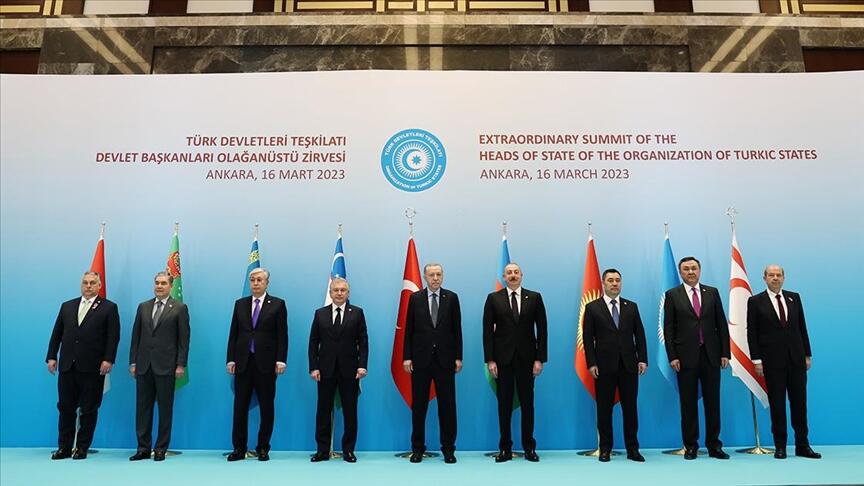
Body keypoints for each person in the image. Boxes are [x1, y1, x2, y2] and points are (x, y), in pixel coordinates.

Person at [747, 264, 820, 460]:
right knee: (777, 405)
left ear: (783, 277)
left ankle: (802, 445)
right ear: (764, 278)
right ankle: (780, 446)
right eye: (771, 275)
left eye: (778, 275)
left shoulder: (793, 297)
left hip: (796, 359)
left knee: (799, 404)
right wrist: (757, 360)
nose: (775, 278)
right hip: (772, 361)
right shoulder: (755, 301)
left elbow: (802, 326)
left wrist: (807, 354)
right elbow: (752, 333)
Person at [45, 271, 120, 460]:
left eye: (92, 282)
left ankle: (82, 447)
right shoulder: (67, 306)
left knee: (88, 409)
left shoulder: (109, 308)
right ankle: (64, 447)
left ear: (99, 285)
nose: (88, 286)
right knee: (65, 408)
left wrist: (108, 359)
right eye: (85, 282)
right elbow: (57, 333)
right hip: (67, 366)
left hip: (93, 367)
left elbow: (113, 337)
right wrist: (51, 356)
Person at [663, 256, 730, 460]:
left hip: (711, 356)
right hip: (685, 358)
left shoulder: (712, 292)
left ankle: (714, 445)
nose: (690, 272)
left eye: (694, 268)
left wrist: (725, 353)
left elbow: (721, 324)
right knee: (688, 403)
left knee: (713, 403)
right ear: (680, 272)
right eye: (686, 269)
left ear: (699, 270)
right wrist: (672, 356)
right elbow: (669, 329)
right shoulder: (672, 295)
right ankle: (691, 446)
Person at [483, 263, 547, 462]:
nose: (513, 275)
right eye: (509, 273)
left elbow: (542, 330)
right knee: (504, 405)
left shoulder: (534, 297)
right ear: (504, 276)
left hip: (527, 360)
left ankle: (529, 448)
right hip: (502, 360)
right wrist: (490, 360)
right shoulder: (493, 298)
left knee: (528, 405)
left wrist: (539, 359)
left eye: (516, 272)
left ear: (522, 275)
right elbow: (487, 332)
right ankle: (505, 449)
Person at [583, 269, 647, 462]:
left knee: (630, 409)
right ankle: (605, 449)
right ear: (603, 283)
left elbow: (640, 335)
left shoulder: (631, 306)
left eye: (617, 280)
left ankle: (633, 449)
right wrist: (591, 363)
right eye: (610, 280)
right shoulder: (593, 307)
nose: (614, 283)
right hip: (603, 366)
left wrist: (642, 359)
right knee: (604, 410)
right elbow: (588, 338)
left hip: (629, 365)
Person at [403, 264, 463, 464]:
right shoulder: (415, 298)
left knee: (447, 407)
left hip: (445, 360)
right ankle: (417, 449)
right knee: (419, 406)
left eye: (438, 274)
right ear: (425, 277)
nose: (435, 278)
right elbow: (409, 330)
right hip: (421, 360)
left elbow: (457, 330)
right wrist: (407, 357)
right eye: (431, 275)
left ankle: (448, 449)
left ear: (442, 276)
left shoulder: (452, 298)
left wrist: (458, 357)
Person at [226, 268, 288, 462]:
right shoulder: (240, 304)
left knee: (267, 407)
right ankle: (239, 448)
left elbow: (282, 335)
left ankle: (263, 448)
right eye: (252, 280)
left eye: (259, 280)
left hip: (266, 364)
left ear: (267, 283)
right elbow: (234, 334)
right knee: (240, 407)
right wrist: (231, 359)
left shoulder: (277, 304)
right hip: (243, 363)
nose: (255, 283)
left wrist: (281, 360)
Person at [128, 271, 191, 462]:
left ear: (170, 286)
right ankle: (143, 448)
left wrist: (180, 364)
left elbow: (184, 340)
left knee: (165, 409)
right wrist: (133, 362)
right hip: (144, 366)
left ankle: (161, 448)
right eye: (157, 283)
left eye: (163, 283)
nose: (159, 286)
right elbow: (136, 336)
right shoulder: (143, 307)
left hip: (166, 366)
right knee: (142, 409)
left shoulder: (179, 308)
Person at [308, 278, 368, 463]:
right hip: (325, 370)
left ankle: (348, 450)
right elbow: (313, 342)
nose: (339, 293)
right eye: (336, 290)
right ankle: (322, 450)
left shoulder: (357, 313)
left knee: (350, 411)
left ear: (348, 293)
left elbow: (363, 342)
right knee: (323, 411)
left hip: (350, 370)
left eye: (343, 290)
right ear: (331, 293)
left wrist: (362, 365)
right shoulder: (320, 314)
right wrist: (314, 367)